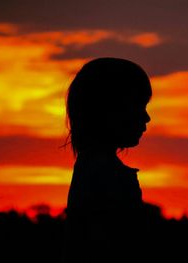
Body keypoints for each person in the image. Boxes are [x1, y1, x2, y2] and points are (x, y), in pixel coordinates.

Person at [62, 57, 152, 262]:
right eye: (138, 105)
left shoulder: (90, 170)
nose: (147, 118)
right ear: (110, 110)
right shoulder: (108, 177)